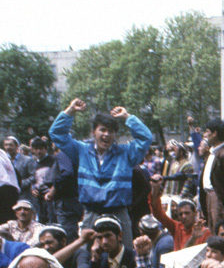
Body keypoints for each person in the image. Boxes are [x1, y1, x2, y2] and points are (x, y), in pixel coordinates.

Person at [49, 100, 152, 251]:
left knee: (125, 257)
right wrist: (70, 111)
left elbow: (146, 139)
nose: (106, 135)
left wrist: (127, 117)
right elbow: (56, 133)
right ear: (93, 132)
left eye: (111, 131)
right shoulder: (81, 150)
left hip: (119, 213)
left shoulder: (125, 153)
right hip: (91, 214)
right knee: (87, 257)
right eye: (102, 130)